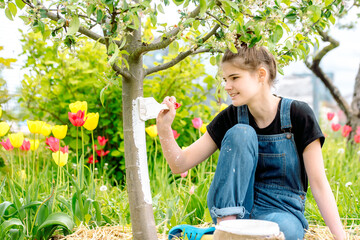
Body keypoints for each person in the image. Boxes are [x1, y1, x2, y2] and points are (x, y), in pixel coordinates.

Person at [156, 44, 346, 240]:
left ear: (261, 75)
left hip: (282, 213)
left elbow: (319, 184)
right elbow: (180, 164)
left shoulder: (298, 114)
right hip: (234, 211)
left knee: (280, 234)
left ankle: (213, 237)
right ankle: (226, 231)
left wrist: (341, 238)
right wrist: (164, 128)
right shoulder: (231, 117)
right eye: (225, 79)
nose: (227, 86)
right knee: (241, 133)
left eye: (234, 78)